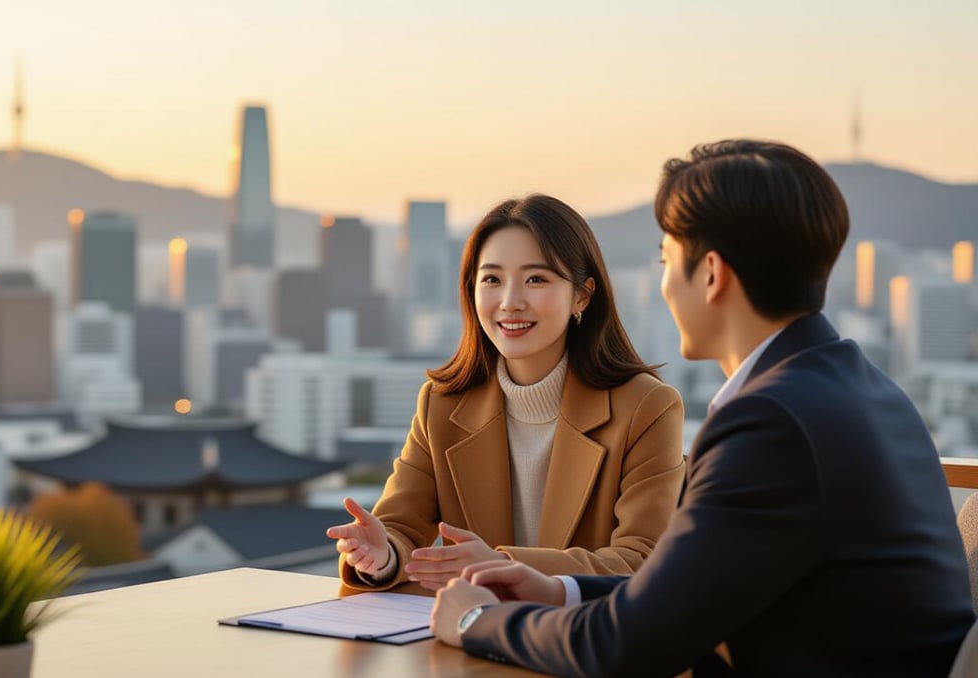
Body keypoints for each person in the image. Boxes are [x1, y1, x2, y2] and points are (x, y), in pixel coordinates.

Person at [430, 140, 976, 676]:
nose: (664, 283)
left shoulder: (771, 422)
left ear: (711, 274)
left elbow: (629, 646)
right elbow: (693, 587)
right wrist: (561, 589)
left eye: (667, 259)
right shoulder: (865, 390)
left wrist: (479, 620)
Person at [326, 194, 685, 593]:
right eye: (492, 279)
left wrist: (503, 565)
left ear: (582, 296)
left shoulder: (645, 407)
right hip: (468, 641)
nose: (510, 302)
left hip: (585, 644)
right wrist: (383, 555)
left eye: (536, 279)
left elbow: (643, 560)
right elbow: (400, 527)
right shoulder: (442, 405)